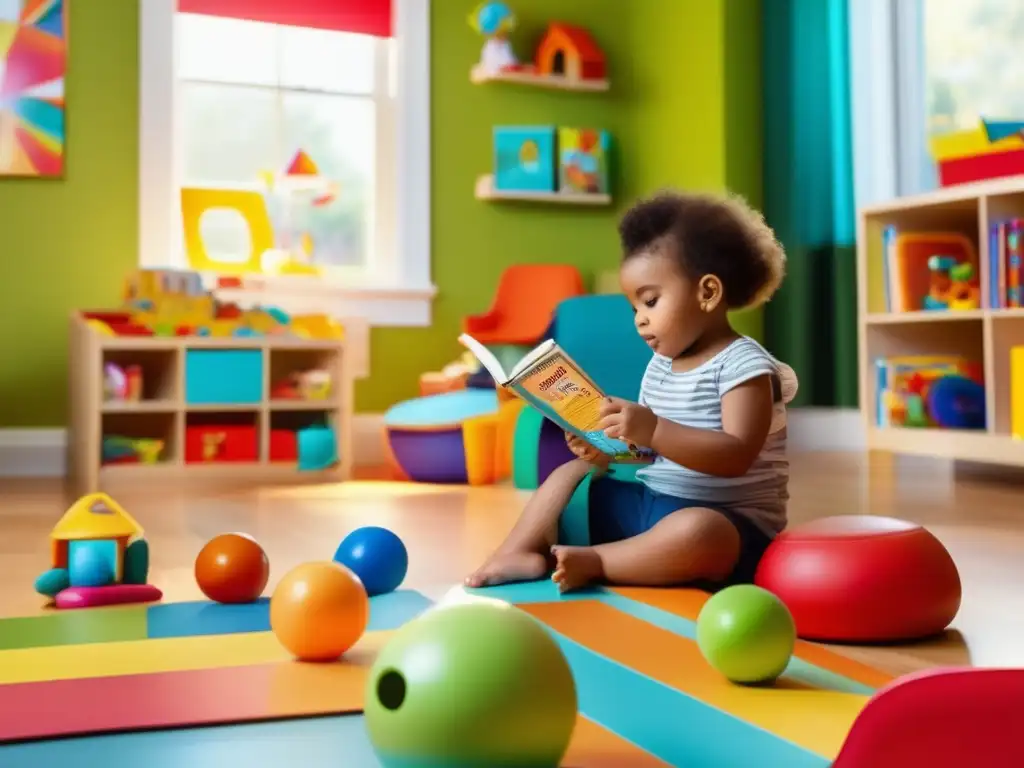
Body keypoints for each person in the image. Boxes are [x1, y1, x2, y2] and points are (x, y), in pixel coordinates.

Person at [466, 190, 798, 592]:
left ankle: (600, 561)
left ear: (707, 293)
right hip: (653, 502)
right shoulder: (660, 366)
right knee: (571, 474)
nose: (640, 321)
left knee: (699, 533)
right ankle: (518, 551)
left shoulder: (743, 367)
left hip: (729, 520)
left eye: (651, 301)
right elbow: (653, 452)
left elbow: (736, 455)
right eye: (634, 308)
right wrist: (606, 447)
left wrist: (653, 428)